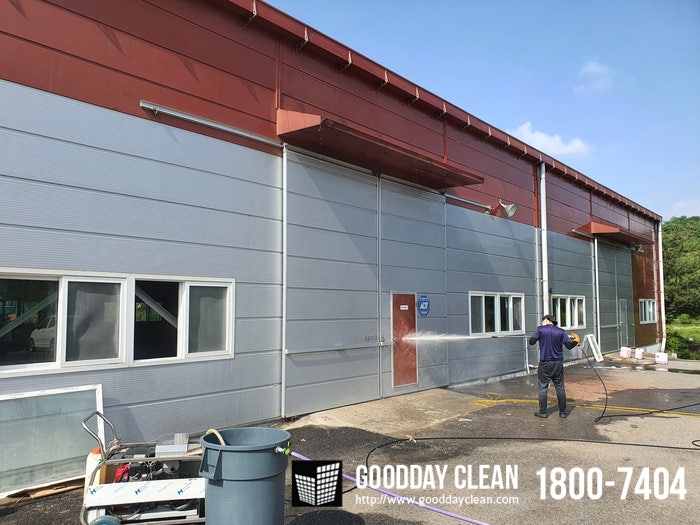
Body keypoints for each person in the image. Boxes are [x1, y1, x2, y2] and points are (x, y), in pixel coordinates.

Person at [529, 314, 580, 418]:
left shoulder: (540, 329)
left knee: (543, 387)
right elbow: (569, 346)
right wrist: (576, 341)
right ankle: (563, 412)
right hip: (558, 363)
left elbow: (531, 342)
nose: (542, 322)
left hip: (545, 363)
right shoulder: (561, 331)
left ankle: (543, 412)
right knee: (560, 387)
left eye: (543, 320)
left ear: (547, 320)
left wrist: (538, 336)